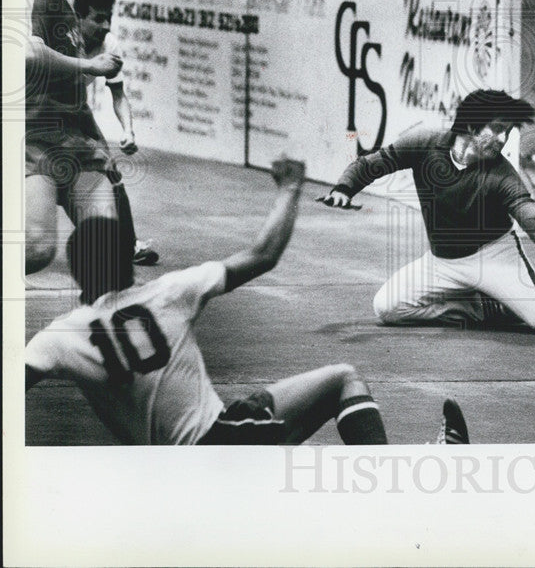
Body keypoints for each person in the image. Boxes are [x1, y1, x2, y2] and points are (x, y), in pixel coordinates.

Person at [25, 158, 470, 446]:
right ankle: (398, 490)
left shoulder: (61, 335)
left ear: (78, 276)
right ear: (129, 265)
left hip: (163, 473)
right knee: (344, 378)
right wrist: (289, 190)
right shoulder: (168, 292)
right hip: (219, 445)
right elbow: (262, 255)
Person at [318, 89, 535, 334]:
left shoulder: (500, 174)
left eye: (509, 131)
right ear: (473, 126)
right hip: (442, 262)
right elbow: (373, 162)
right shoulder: (425, 142)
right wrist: (343, 188)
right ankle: (485, 308)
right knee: (388, 308)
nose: (504, 139)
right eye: (498, 129)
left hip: (495, 257)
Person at [25, 0, 125, 274]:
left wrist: (98, 140)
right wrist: (90, 65)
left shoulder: (67, 5)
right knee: (36, 249)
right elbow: (31, 53)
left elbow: (69, 94)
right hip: (34, 144)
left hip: (77, 147)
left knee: (105, 254)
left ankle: (93, 329)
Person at [78, 0, 159, 265]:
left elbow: (118, 94)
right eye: (97, 18)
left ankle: (130, 245)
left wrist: (128, 130)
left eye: (108, 18)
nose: (106, 25)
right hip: (35, 112)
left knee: (111, 171)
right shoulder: (59, 39)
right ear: (77, 17)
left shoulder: (109, 44)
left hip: (74, 111)